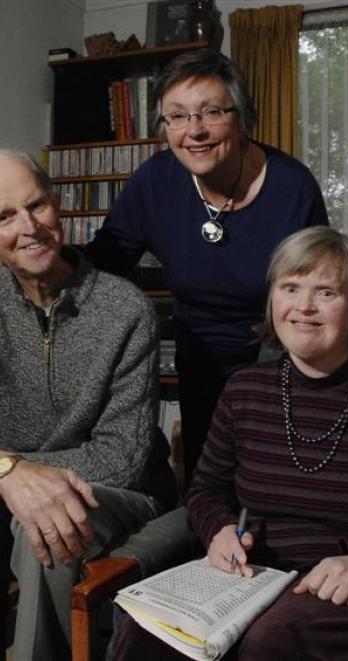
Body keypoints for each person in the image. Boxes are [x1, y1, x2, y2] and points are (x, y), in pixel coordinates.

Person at [112, 226, 348, 660]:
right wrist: (218, 528)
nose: (304, 307)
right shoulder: (244, 390)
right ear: (272, 300)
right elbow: (205, 491)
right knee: (144, 631)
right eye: (290, 288)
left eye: (327, 293)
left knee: (270, 640)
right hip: (250, 580)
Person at [85, 48, 328, 487]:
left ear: (241, 117)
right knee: (206, 478)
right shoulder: (154, 181)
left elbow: (323, 277)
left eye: (210, 112)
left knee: (273, 479)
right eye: (176, 116)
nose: (193, 131)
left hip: (277, 350)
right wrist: (34, 258)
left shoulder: (293, 186)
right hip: (197, 349)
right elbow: (103, 262)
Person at [0, 150, 176, 661]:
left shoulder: (125, 310)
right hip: (10, 481)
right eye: (5, 216)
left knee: (50, 525)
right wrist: (11, 473)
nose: (29, 227)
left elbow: (120, 458)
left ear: (60, 205)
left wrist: (23, 476)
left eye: (36, 206)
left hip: (126, 495)